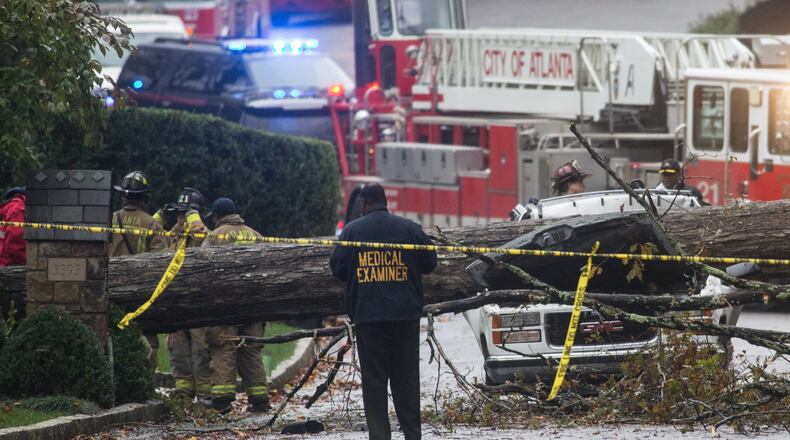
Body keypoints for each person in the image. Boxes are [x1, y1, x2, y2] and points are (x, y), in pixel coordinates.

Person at [329, 184, 438, 440]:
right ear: (385, 202)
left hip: (369, 317)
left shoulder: (352, 231)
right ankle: (412, 435)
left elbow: (337, 268)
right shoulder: (409, 228)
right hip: (405, 317)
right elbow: (430, 263)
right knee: (406, 380)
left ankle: (380, 436)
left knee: (375, 382)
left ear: (364, 203)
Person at [202, 197, 270, 414]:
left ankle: (221, 400)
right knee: (251, 349)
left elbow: (201, 268)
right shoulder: (256, 235)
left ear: (216, 217)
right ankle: (259, 399)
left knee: (224, 346)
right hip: (253, 303)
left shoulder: (214, 237)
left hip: (225, 304)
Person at [110, 171, 170, 369]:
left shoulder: (109, 220)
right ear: (145, 197)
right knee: (147, 338)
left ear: (123, 196)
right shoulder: (152, 224)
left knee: (112, 332)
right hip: (142, 293)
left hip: (110, 289)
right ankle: (144, 381)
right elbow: (161, 260)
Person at [165, 187, 212, 400]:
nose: (181, 218)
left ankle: (204, 395)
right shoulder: (172, 234)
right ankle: (184, 390)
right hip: (175, 300)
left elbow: (202, 236)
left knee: (200, 349)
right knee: (177, 348)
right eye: (179, 213)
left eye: (186, 214)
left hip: (198, 300)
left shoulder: (202, 233)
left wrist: (194, 218)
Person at [0, 187, 26, 267]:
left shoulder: (9, 208)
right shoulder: (18, 208)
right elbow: (14, 243)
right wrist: (25, 262)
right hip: (9, 264)